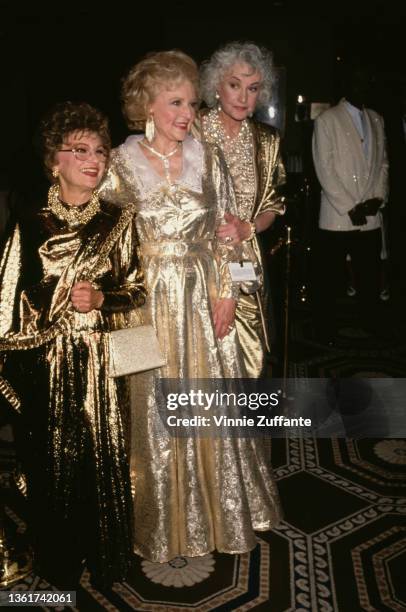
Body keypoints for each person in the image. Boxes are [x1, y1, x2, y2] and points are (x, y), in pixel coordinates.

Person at [100, 50, 282, 563]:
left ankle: (221, 516)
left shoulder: (207, 156)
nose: (186, 112)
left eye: (192, 102)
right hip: (144, 303)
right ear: (148, 107)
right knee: (150, 410)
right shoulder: (119, 163)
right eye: (175, 102)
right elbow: (102, 241)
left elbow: (228, 234)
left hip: (205, 299)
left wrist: (227, 291)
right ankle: (159, 525)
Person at [0, 102, 146, 587]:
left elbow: (140, 287)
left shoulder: (120, 219)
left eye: (101, 151)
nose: (95, 159)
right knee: (51, 462)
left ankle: (106, 559)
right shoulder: (29, 222)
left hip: (100, 360)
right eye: (79, 150)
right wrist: (50, 309)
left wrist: (104, 297)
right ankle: (59, 562)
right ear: (53, 160)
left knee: (102, 458)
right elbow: (6, 301)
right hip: (44, 361)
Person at [197, 41, 286, 377]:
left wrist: (249, 228)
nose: (243, 97)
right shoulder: (193, 128)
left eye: (253, 89)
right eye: (234, 85)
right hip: (199, 257)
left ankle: (243, 426)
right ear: (216, 85)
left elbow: (274, 206)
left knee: (250, 355)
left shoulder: (267, 140)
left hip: (246, 260)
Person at [312, 63, 389, 343]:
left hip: (369, 214)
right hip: (338, 214)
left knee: (369, 277)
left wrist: (376, 199)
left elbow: (382, 165)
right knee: (330, 279)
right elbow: (324, 167)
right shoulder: (327, 120)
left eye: (367, 80)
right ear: (346, 84)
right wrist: (350, 207)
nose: (362, 85)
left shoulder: (377, 119)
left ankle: (371, 325)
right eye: (356, 80)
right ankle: (325, 330)